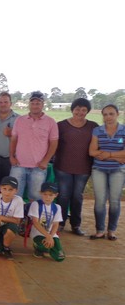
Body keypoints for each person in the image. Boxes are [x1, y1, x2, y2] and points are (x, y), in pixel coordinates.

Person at [53, 98, 98, 235]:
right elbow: (53, 144)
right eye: (77, 109)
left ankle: (75, 225)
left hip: (83, 168)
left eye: (84, 110)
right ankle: (60, 223)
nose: (80, 112)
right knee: (64, 196)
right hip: (62, 167)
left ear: (87, 112)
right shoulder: (61, 125)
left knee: (77, 196)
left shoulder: (93, 126)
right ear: (72, 109)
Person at [9, 91, 59, 202]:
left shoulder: (51, 122)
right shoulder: (20, 120)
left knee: (35, 198)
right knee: (15, 195)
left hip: (39, 167)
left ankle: (32, 219)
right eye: (33, 103)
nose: (35, 106)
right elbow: (13, 139)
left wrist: (46, 161)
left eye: (38, 103)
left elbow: (54, 143)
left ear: (43, 104)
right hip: (18, 165)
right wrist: (11, 156)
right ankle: (17, 219)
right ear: (29, 104)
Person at [88, 104, 125, 240]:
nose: (108, 117)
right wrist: (118, 156)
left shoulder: (124, 130)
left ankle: (111, 230)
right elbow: (92, 151)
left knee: (115, 201)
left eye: (111, 114)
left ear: (117, 114)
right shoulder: (97, 130)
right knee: (100, 201)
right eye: (105, 114)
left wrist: (107, 154)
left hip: (118, 171)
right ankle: (100, 230)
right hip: (99, 170)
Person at [28, 182, 65, 261]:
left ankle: (48, 248)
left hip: (51, 234)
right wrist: (47, 236)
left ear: (56, 195)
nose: (47, 197)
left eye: (51, 195)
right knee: (44, 247)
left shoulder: (57, 207)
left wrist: (50, 236)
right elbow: (35, 222)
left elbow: (55, 224)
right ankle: (38, 248)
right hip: (38, 233)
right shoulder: (36, 204)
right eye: (45, 194)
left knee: (60, 257)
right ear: (40, 193)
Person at [0, 92, 19, 183]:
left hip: (10, 160)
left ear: (11, 103)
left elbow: (25, 140)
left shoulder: (19, 119)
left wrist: (12, 133)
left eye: (5, 102)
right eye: (0, 102)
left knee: (8, 187)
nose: (3, 104)